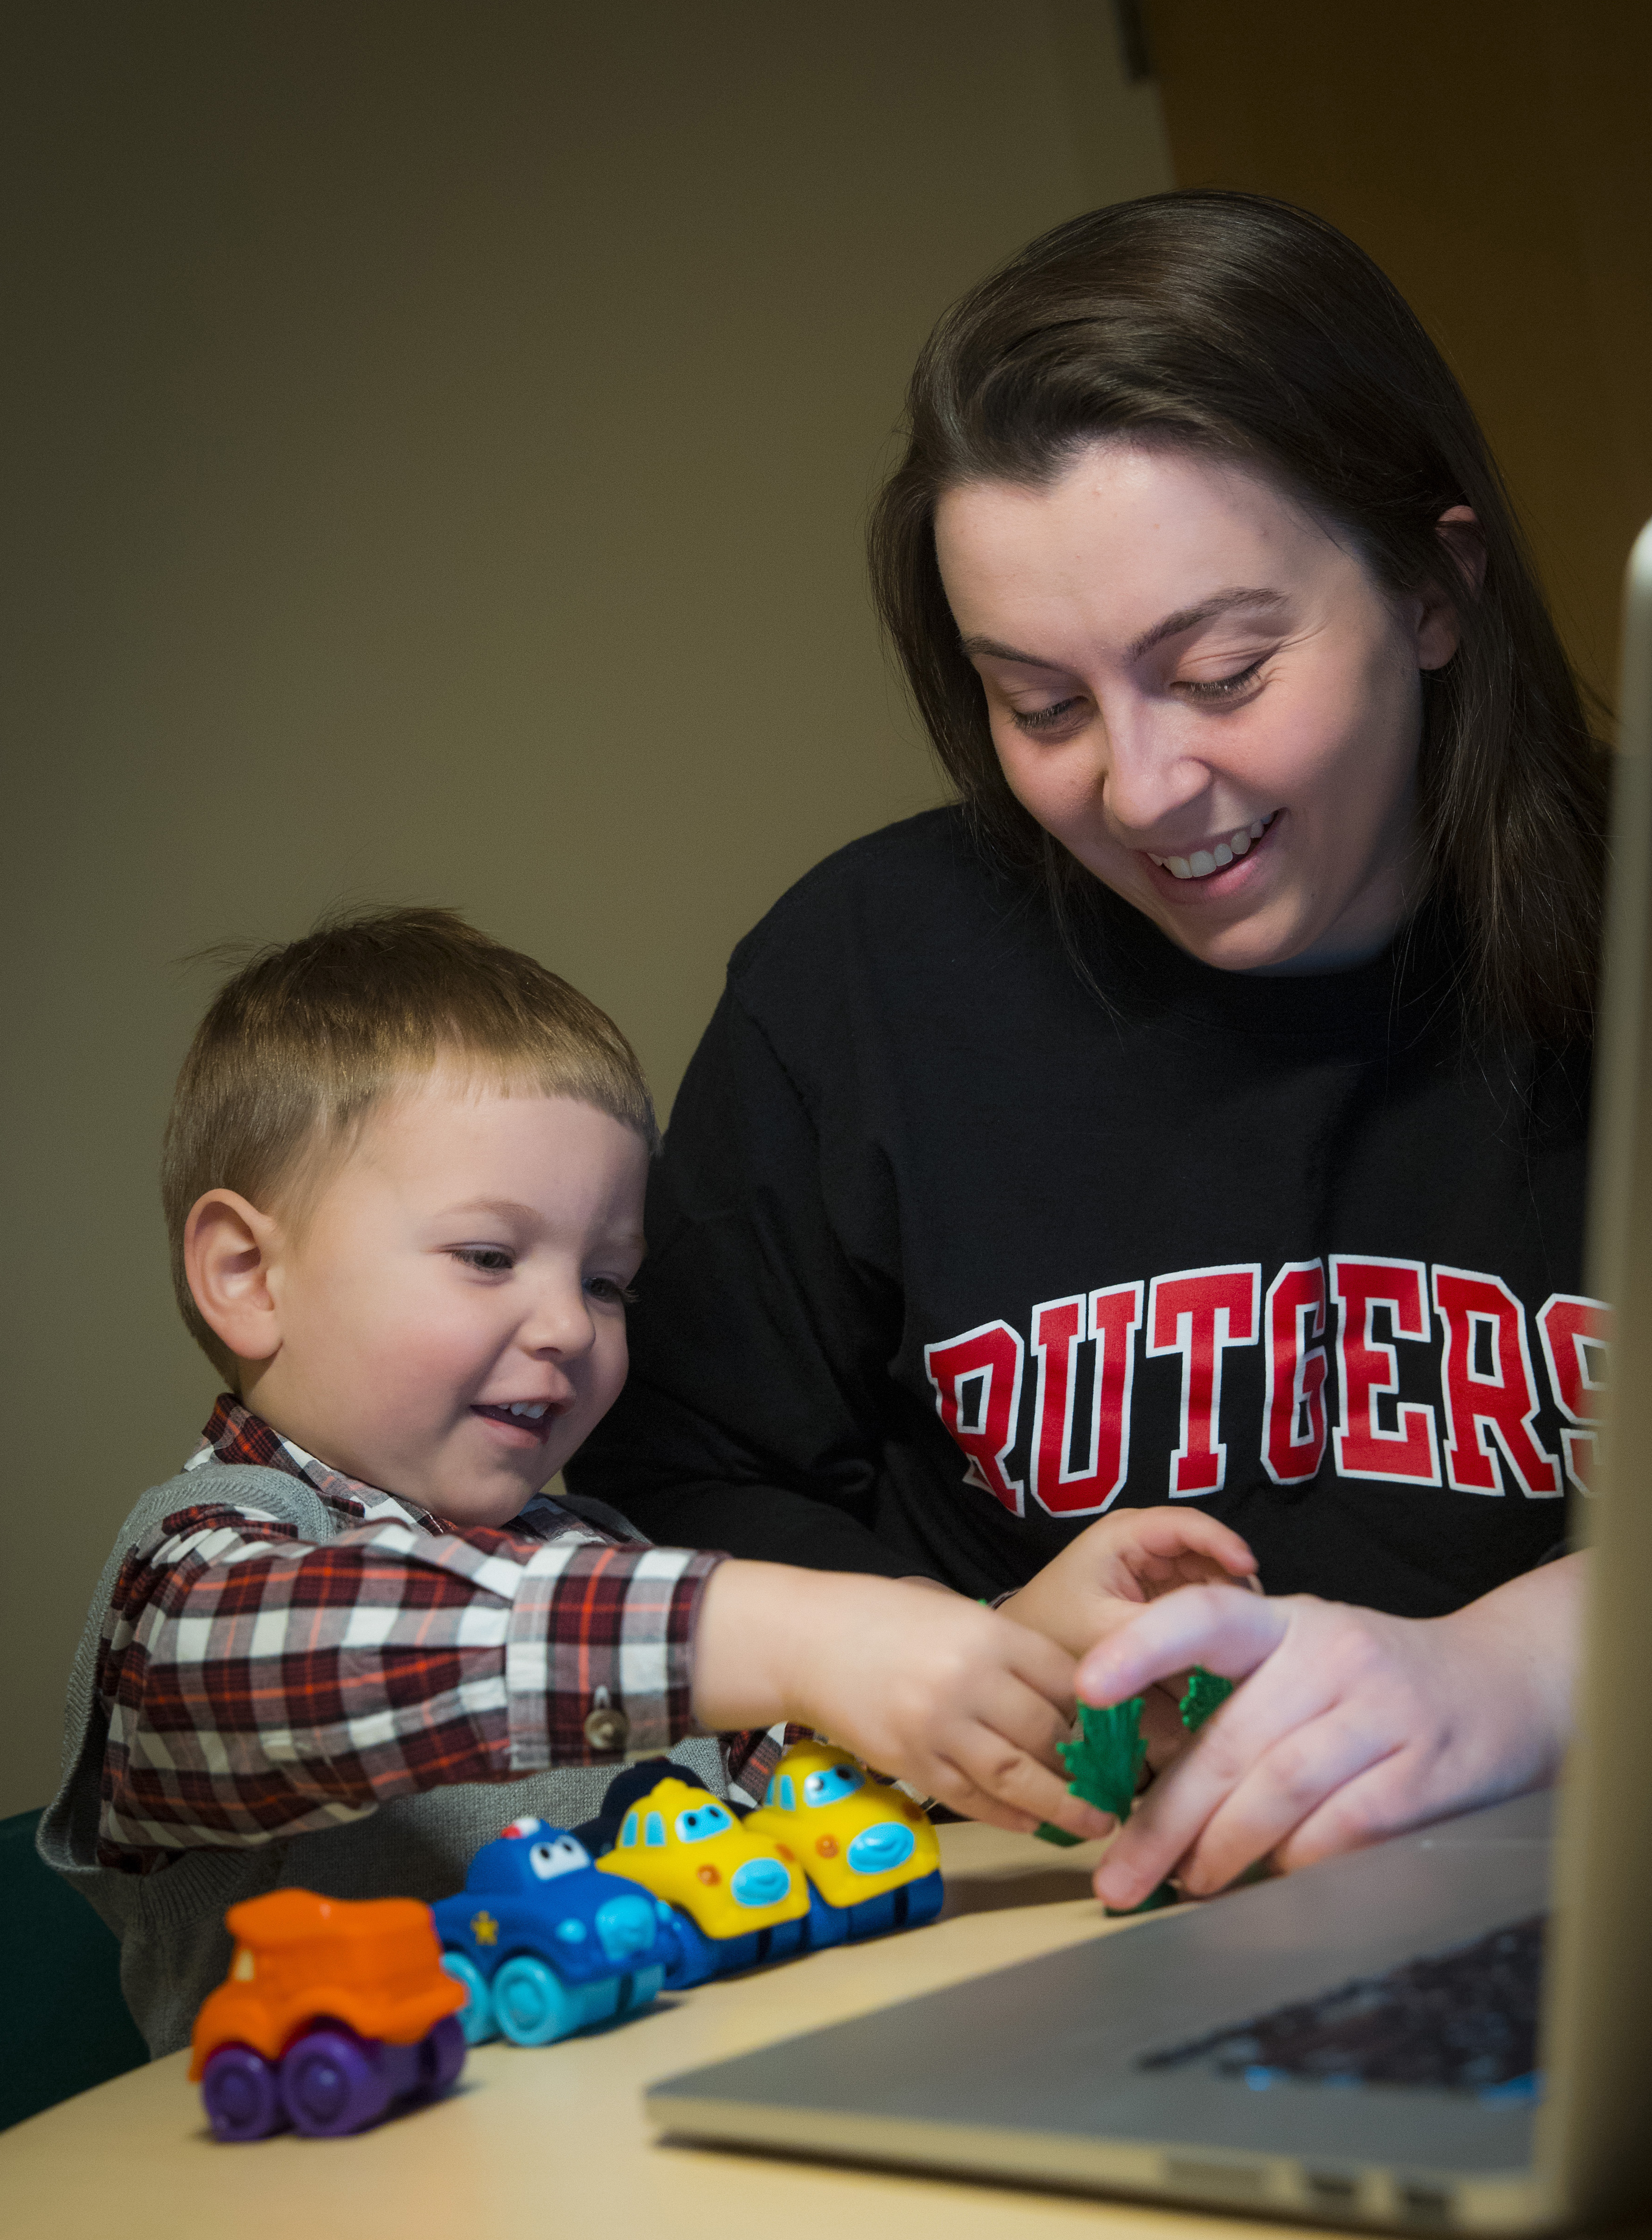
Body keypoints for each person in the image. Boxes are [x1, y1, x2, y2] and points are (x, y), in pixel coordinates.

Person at [568, 192, 1606, 1908]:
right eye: (1041, 706)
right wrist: (963, 1656)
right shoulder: (863, 977)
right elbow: (658, 1500)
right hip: (1045, 1925)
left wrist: (1524, 1667)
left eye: (1224, 669)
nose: (1141, 788)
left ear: (1436, 587)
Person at [39, 905, 1249, 2054]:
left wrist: (1015, 1652)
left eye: (608, 1281)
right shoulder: (193, 1578)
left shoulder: (596, 1552)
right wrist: (782, 1628)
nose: (570, 1325)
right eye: (489, 1256)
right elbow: (321, 1655)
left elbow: (811, 1772)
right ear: (248, 1275)